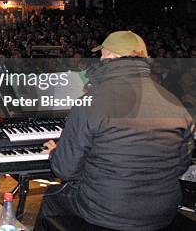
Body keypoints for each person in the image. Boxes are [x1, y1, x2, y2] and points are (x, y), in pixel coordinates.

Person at [34, 31, 194, 231]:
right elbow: (181, 165)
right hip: (163, 212)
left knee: (52, 197)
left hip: (106, 211)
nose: (100, 59)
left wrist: (55, 152)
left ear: (111, 56)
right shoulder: (173, 102)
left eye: (103, 54)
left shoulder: (92, 101)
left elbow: (64, 170)